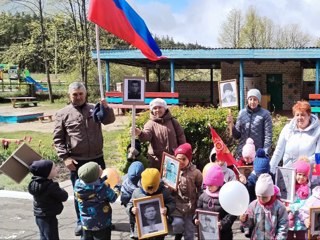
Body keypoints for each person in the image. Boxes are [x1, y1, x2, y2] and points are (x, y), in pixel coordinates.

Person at [53, 82, 115, 236]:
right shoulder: (63, 113)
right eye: (75, 94)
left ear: (85, 94)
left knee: (102, 191)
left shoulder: (95, 108)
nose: (78, 97)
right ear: (70, 95)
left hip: (97, 159)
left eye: (81, 94)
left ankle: (104, 220)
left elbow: (109, 120)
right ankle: (81, 221)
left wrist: (106, 108)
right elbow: (57, 139)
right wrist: (65, 157)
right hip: (77, 161)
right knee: (80, 194)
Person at [270, 101, 320, 188]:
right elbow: (278, 151)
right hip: (288, 174)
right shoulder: (287, 129)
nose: (300, 118)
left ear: (309, 115)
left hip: (306, 177)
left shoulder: (318, 131)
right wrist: (270, 171)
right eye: (297, 115)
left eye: (303, 115)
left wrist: (306, 161)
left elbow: (318, 156)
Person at [135, 98, 186, 170]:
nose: (157, 110)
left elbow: (181, 136)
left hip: (173, 158)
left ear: (165, 108)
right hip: (157, 160)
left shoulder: (173, 121)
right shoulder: (150, 124)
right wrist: (140, 133)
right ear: (152, 110)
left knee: (171, 180)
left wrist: (183, 152)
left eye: (160, 107)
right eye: (155, 108)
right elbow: (146, 136)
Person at [74, 162, 121, 240]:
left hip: (86, 223)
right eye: (98, 168)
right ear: (95, 176)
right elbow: (113, 197)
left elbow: (93, 183)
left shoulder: (78, 186)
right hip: (101, 224)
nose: (100, 166)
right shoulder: (102, 188)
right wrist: (118, 186)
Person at [127, 168, 175, 240]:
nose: (151, 192)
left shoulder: (164, 191)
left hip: (160, 229)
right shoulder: (137, 192)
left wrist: (167, 208)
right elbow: (129, 204)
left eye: (153, 189)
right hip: (143, 230)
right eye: (148, 190)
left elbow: (172, 203)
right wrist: (131, 209)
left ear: (158, 183)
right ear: (143, 184)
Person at [28, 159, 69, 240]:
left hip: (39, 216)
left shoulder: (33, 184)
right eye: (54, 168)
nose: (57, 168)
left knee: (43, 236)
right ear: (47, 173)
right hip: (49, 217)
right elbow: (64, 196)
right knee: (52, 237)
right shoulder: (51, 187)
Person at [226, 88, 272, 159]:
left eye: (255, 99)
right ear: (247, 100)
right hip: (242, 153)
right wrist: (231, 124)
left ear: (258, 101)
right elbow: (237, 136)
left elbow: (268, 136)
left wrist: (265, 152)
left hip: (258, 154)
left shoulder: (265, 114)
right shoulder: (242, 113)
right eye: (250, 99)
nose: (252, 102)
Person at [240, 173, 289, 239]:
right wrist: (244, 220)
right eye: (259, 196)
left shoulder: (279, 207)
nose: (262, 199)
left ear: (271, 194)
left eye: (265, 197)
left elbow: (283, 225)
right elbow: (249, 226)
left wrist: (279, 238)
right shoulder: (253, 205)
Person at [171, 143, 203, 240]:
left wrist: (200, 202)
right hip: (177, 206)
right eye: (178, 159)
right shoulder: (172, 170)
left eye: (183, 159)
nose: (180, 162)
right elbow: (167, 185)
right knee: (177, 223)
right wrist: (169, 188)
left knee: (190, 232)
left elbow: (201, 187)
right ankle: (178, 235)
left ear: (189, 159)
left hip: (190, 207)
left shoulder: (195, 172)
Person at [196, 165, 237, 240]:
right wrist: (195, 218)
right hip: (206, 233)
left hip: (224, 234)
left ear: (218, 183)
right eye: (207, 184)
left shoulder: (227, 195)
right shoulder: (203, 195)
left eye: (211, 185)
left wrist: (223, 223)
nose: (208, 187)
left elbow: (232, 213)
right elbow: (198, 209)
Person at [286, 158, 310, 240]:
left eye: (304, 175)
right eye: (299, 174)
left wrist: (291, 207)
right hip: (289, 219)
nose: (301, 177)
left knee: (301, 237)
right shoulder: (290, 186)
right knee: (288, 236)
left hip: (300, 221)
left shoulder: (307, 189)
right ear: (295, 174)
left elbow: (304, 203)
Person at [120, 161, 145, 239]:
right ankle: (141, 231)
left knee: (131, 215)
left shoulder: (125, 178)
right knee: (140, 216)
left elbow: (122, 192)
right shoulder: (141, 185)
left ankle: (132, 230)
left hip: (127, 200)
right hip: (138, 202)